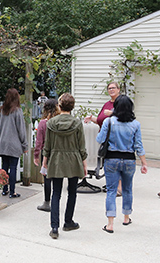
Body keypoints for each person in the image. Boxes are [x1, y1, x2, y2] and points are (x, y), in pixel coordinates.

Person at [96, 95, 148, 232]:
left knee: (111, 191)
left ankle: (110, 224)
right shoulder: (136, 124)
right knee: (127, 189)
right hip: (129, 160)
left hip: (111, 159)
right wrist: (144, 163)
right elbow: (138, 146)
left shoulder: (109, 122)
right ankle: (126, 217)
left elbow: (99, 139)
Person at [42, 93, 88, 239]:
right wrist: (84, 163)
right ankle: (68, 222)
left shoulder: (51, 123)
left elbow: (47, 146)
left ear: (59, 106)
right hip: (74, 160)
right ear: (72, 107)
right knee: (72, 192)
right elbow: (82, 146)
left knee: (56, 193)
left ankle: (54, 227)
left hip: (56, 159)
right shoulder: (77, 123)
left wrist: (44, 162)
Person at [84, 81, 123, 197]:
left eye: (113, 88)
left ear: (118, 89)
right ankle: (112, 185)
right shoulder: (106, 104)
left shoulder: (121, 103)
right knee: (108, 163)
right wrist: (92, 118)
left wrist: (112, 113)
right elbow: (101, 120)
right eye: (109, 88)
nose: (111, 90)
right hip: (105, 139)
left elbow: (124, 117)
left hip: (116, 138)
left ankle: (119, 188)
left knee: (116, 162)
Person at [0, 88, 27, 198]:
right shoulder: (17, 111)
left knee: (4, 167)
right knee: (13, 167)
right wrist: (25, 145)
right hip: (14, 143)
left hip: (3, 143)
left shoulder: (1, 110)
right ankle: (13, 191)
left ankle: (4, 190)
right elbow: (21, 130)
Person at [33, 98, 59, 212]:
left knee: (47, 179)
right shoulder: (59, 121)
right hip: (59, 153)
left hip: (46, 154)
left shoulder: (43, 123)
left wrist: (36, 155)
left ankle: (47, 202)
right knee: (57, 179)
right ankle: (55, 203)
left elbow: (39, 141)